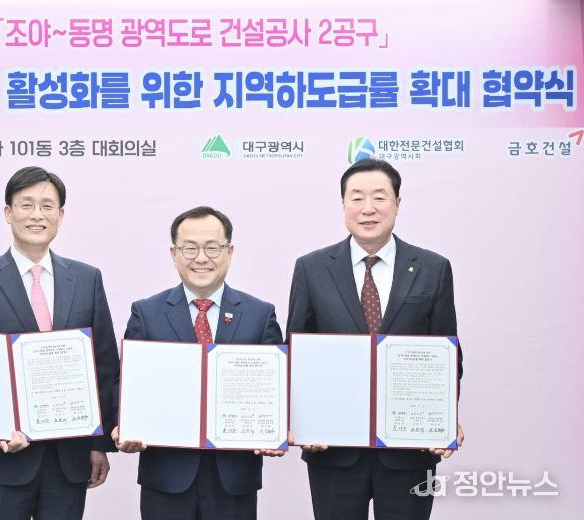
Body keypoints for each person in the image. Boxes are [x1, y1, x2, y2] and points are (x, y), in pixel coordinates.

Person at [286, 158, 465, 520]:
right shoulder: (311, 268)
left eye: (379, 197)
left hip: (409, 448)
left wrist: (444, 416)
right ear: (343, 205)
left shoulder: (433, 268)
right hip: (332, 446)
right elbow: (296, 354)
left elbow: (448, 355)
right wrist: (299, 419)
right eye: (357, 197)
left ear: (398, 203)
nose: (368, 208)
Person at [0, 166, 119, 520]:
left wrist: (98, 443)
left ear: (61, 215)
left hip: (68, 460)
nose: (36, 215)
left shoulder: (87, 279)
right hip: (1, 461)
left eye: (47, 206)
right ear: (8, 213)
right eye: (26, 205)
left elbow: (104, 366)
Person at [111, 206, 284, 520]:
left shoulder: (260, 315)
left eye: (212, 247)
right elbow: (127, 384)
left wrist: (277, 430)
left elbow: (277, 388)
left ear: (229, 252)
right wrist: (123, 426)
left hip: (234, 479)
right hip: (166, 477)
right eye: (189, 248)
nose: (201, 258)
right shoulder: (147, 313)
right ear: (174, 254)